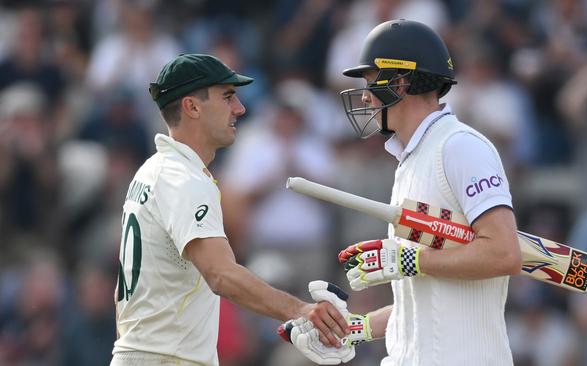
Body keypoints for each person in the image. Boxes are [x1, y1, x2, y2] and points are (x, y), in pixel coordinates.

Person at [110, 53, 349, 366]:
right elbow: (221, 275)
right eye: (227, 97)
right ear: (192, 107)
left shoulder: (152, 170)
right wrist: (302, 310)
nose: (240, 108)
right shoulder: (185, 179)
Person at [334, 19, 522, 365]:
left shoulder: (459, 146)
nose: (364, 95)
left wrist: (411, 260)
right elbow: (424, 302)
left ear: (400, 82)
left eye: (371, 82)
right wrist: (353, 329)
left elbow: (505, 254)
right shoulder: (409, 161)